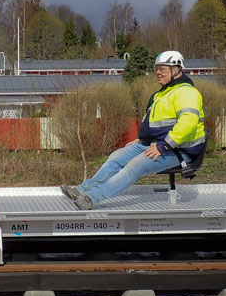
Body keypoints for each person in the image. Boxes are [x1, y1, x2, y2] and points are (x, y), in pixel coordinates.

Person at [61, 50, 206, 209]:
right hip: (153, 144)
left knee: (135, 166)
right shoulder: (161, 94)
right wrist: (143, 138)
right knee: (116, 157)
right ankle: (82, 190)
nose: (158, 72)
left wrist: (164, 145)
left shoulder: (186, 92)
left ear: (177, 69)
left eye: (162, 69)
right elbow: (154, 123)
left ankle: (91, 198)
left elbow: (188, 123)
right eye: (156, 68)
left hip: (176, 149)